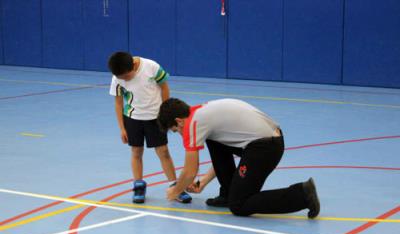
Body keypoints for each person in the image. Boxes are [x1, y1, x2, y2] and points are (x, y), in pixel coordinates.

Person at [157, 98, 320, 218]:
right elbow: (221, 151)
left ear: (179, 121)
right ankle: (227, 194)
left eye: (175, 130)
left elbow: (190, 172)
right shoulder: (201, 112)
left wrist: (175, 191)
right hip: (266, 141)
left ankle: (302, 194)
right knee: (213, 140)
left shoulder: (193, 124)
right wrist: (204, 182)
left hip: (265, 148)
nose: (179, 134)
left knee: (239, 205)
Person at [108, 51, 191, 204]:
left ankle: (176, 186)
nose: (124, 79)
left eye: (126, 76)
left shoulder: (151, 67)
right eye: (121, 78)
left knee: (163, 152)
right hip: (133, 119)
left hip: (155, 118)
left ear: (133, 65)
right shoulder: (117, 77)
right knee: (136, 152)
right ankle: (139, 185)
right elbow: (118, 102)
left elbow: (164, 88)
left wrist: (165, 113)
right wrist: (122, 128)